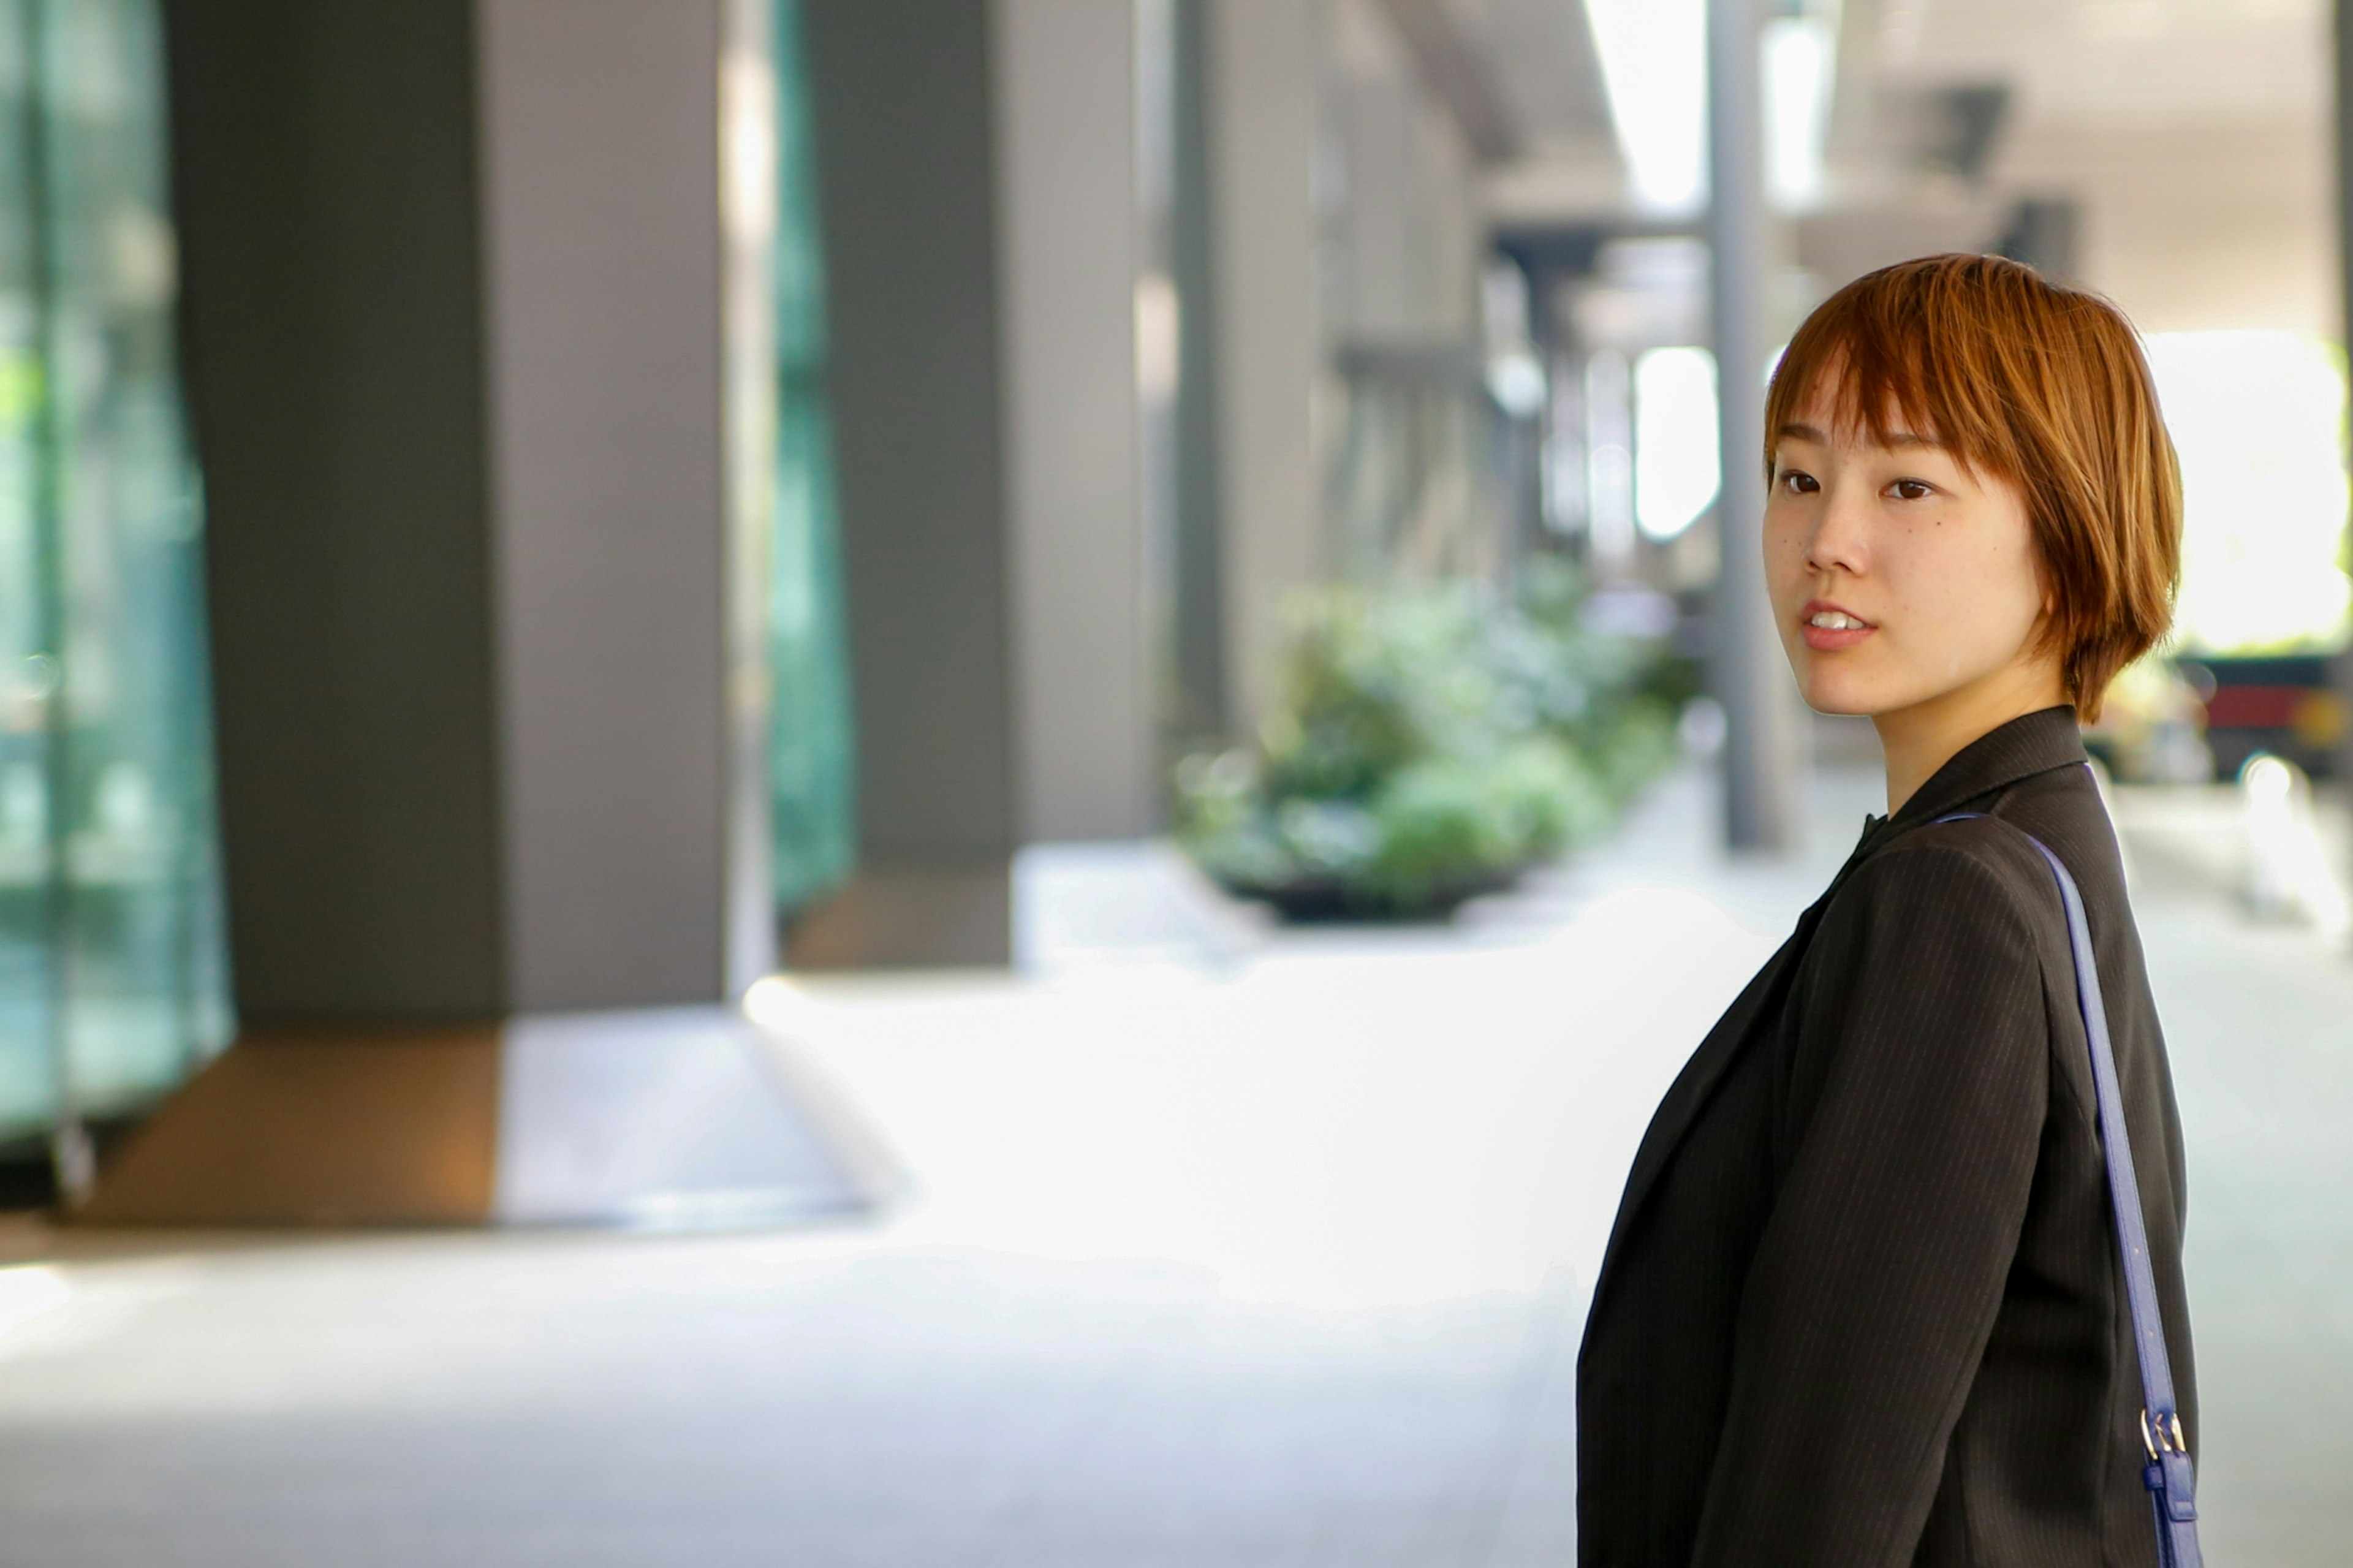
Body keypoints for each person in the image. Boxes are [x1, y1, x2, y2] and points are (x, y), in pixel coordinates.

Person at [1576, 253, 2195, 1566]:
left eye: (1908, 485)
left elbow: (1822, 1490)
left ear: (2069, 534)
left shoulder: (1951, 899)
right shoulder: (2040, 835)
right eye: (1800, 476)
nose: (1827, 538)